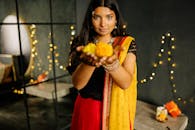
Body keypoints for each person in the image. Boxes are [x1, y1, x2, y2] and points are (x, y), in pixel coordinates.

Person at [67, 0, 137, 130]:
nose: (103, 24)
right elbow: (78, 84)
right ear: (90, 19)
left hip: (115, 110)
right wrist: (89, 63)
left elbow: (126, 83)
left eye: (109, 17)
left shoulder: (125, 44)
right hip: (87, 110)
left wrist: (112, 64)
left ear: (116, 19)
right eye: (97, 17)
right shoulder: (82, 42)